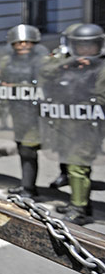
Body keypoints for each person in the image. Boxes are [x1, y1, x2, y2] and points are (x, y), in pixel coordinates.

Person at [40, 23, 105, 225]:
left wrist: (83, 103)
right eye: (80, 46)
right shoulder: (68, 63)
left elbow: (101, 99)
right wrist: (64, 64)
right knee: (70, 164)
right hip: (66, 122)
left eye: (90, 46)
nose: (85, 51)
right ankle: (81, 203)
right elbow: (44, 72)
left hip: (88, 125)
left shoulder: (102, 68)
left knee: (78, 166)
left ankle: (79, 210)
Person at [0, 24, 46, 198]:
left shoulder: (42, 61)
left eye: (27, 42)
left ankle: (29, 188)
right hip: (17, 111)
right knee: (22, 147)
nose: (23, 46)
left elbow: (45, 85)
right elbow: (1, 80)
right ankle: (27, 185)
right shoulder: (7, 61)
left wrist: (16, 87)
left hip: (36, 113)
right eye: (19, 43)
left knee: (28, 149)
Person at [47, 23, 82, 190]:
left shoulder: (97, 58)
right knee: (62, 145)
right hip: (62, 107)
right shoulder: (60, 56)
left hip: (85, 111)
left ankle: (82, 196)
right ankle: (64, 173)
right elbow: (45, 71)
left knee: (82, 153)